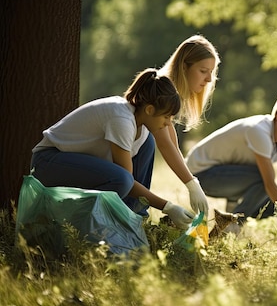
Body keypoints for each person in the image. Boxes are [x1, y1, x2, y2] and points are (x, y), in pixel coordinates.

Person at [30, 69, 196, 229]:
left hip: (76, 166)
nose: (168, 123)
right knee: (122, 179)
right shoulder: (122, 119)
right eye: (166, 117)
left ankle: (134, 220)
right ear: (150, 110)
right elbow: (127, 182)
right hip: (49, 162)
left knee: (147, 145)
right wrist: (168, 207)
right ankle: (75, 226)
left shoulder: (141, 123)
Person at [123, 35, 219, 217]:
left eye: (211, 72)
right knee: (148, 142)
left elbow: (172, 146)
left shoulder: (172, 94)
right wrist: (192, 184)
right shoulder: (162, 90)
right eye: (203, 71)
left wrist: (192, 183)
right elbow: (164, 144)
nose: (208, 79)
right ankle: (134, 213)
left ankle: (135, 213)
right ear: (184, 67)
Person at [185, 92, 277, 224]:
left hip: (228, 173)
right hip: (200, 174)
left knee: (274, 208)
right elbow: (269, 183)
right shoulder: (259, 130)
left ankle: (228, 216)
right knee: (264, 180)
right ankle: (233, 225)